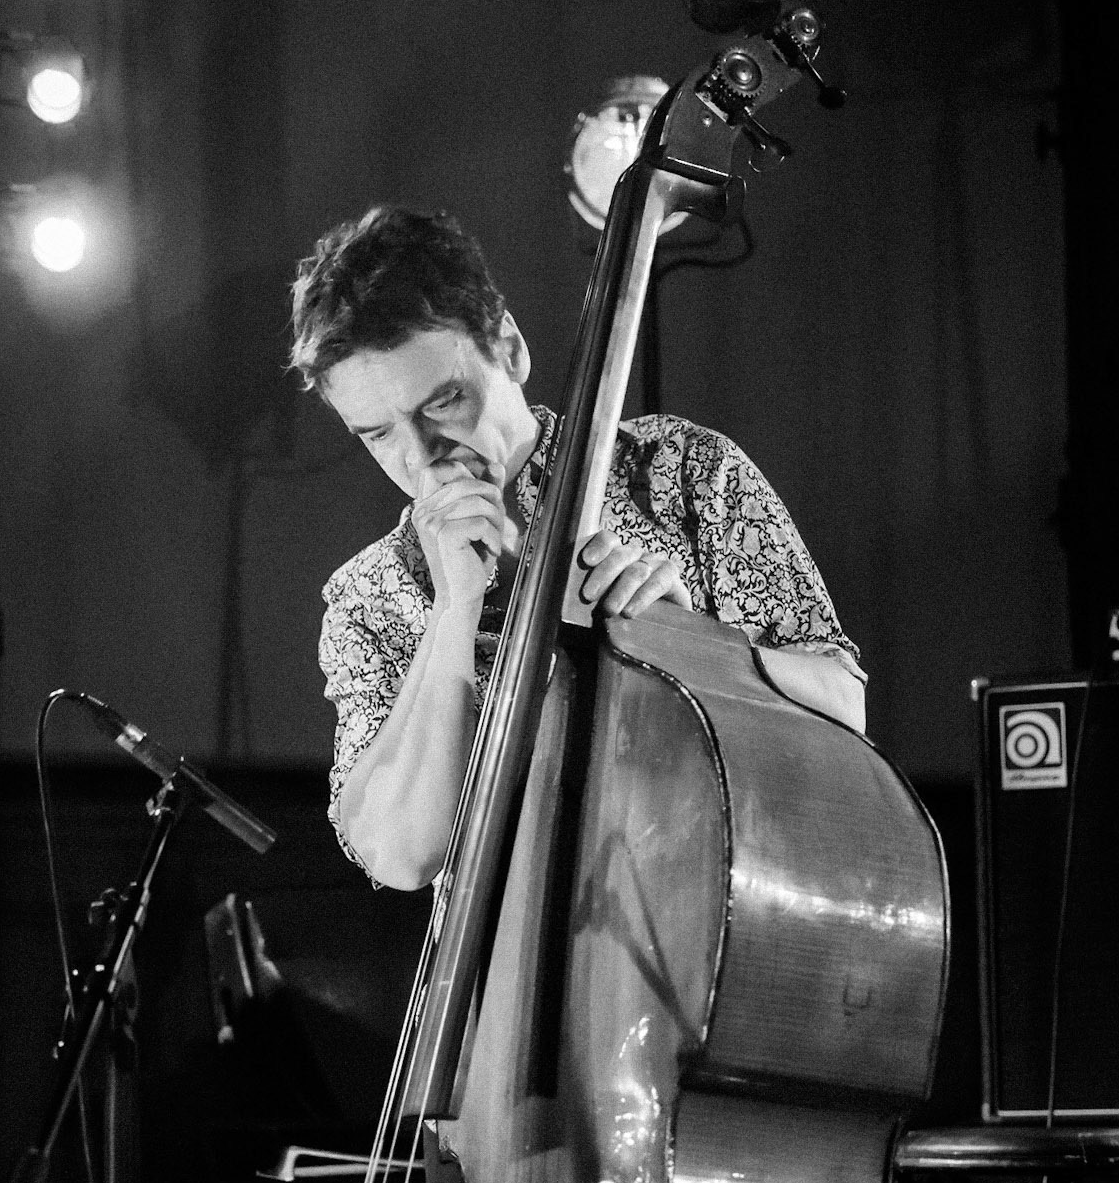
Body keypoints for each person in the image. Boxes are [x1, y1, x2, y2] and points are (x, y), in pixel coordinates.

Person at [290, 205, 866, 889]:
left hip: (712, 910)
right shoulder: (367, 597)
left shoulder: (683, 471)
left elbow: (841, 710)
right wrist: (452, 614)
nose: (421, 458)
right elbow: (402, 856)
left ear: (508, 348)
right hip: (502, 986)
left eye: (442, 403)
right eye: (377, 434)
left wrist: (684, 648)